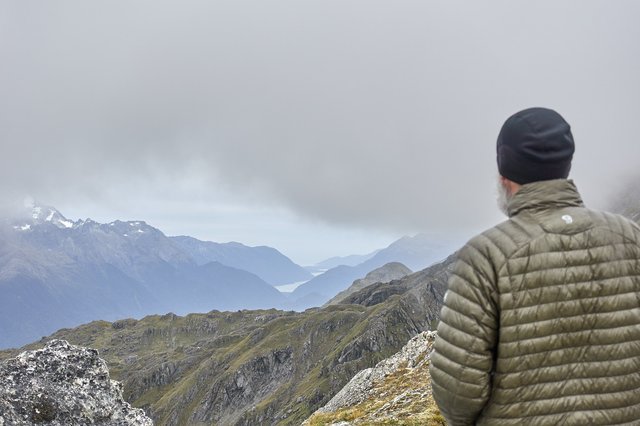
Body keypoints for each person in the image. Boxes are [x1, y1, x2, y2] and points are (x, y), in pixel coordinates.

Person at [429, 107, 640, 425]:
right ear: (566, 165)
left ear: (504, 175)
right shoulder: (629, 236)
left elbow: (457, 391)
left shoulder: (486, 255)